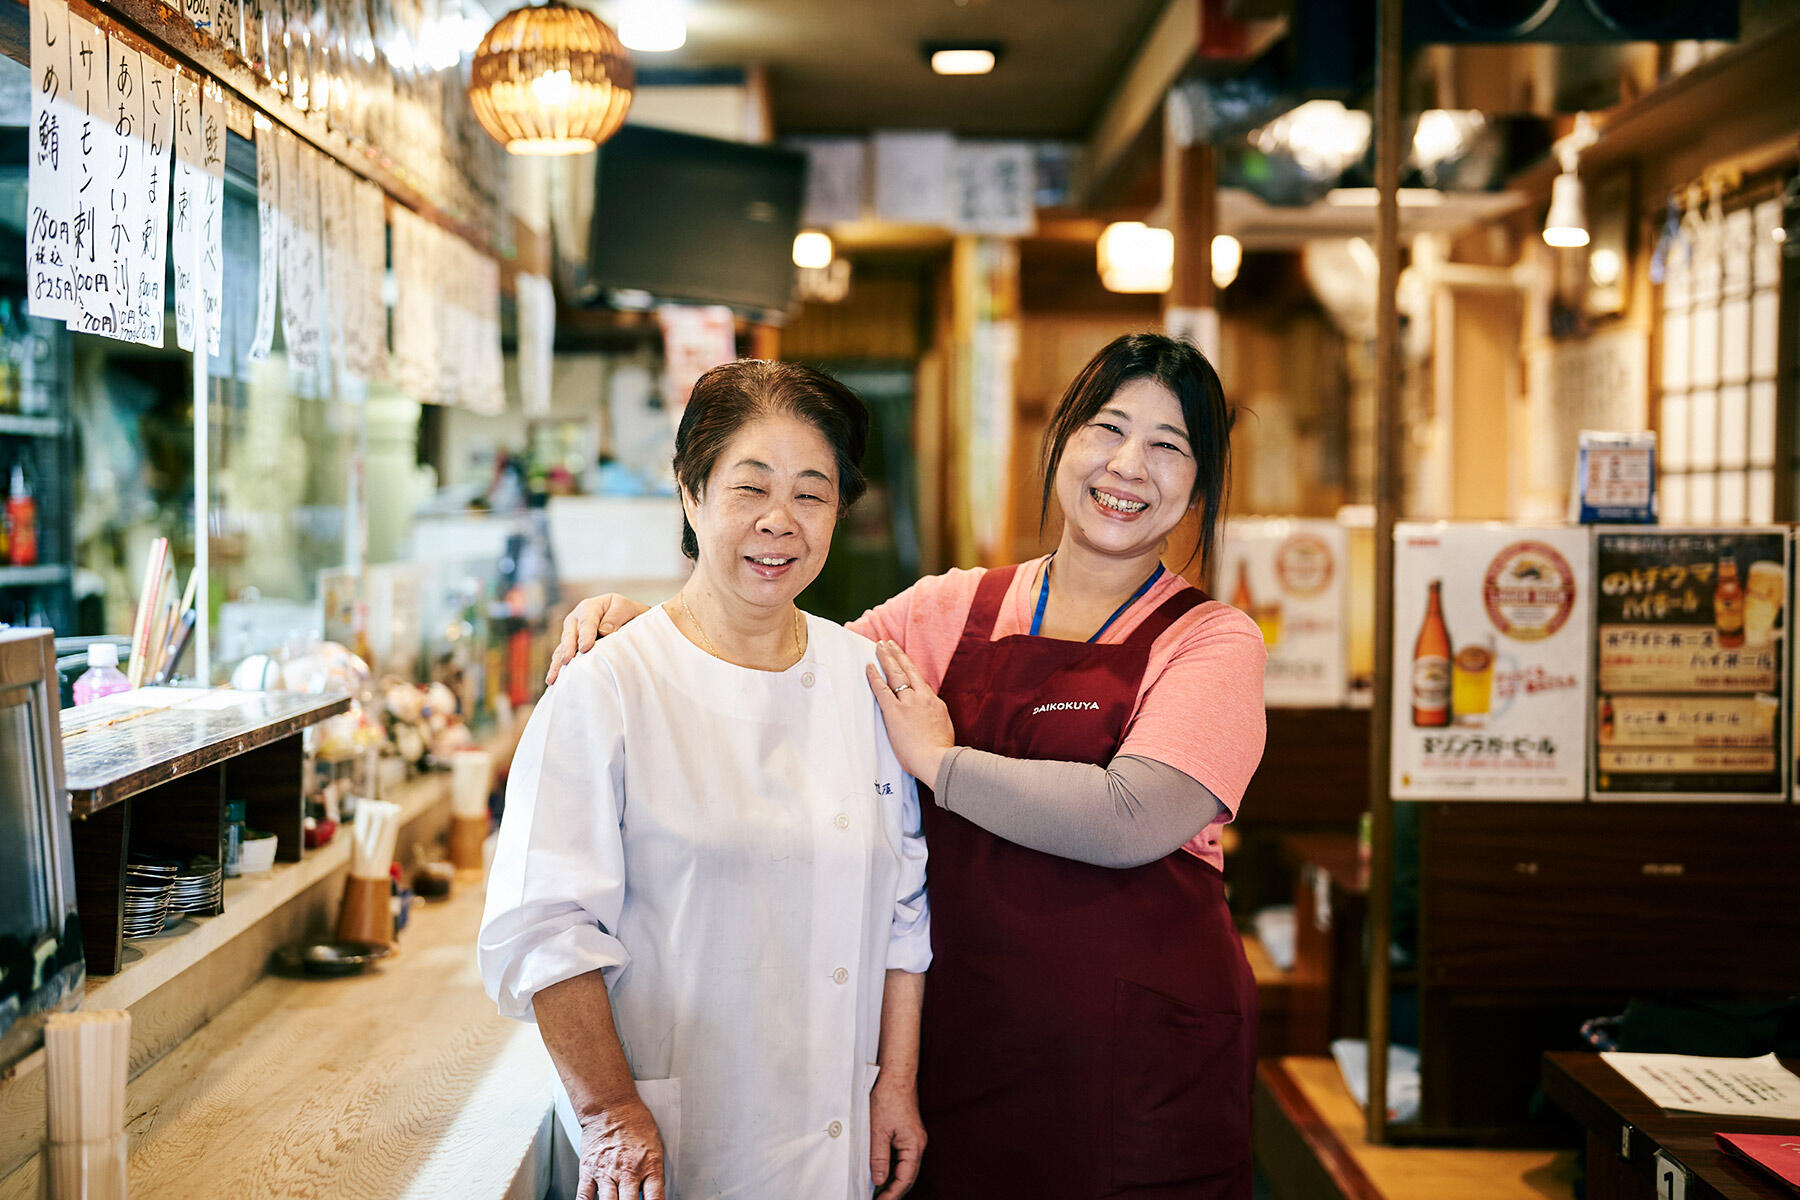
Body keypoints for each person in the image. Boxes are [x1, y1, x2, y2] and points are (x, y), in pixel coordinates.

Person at [549, 333, 1266, 1199]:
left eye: (1168, 446)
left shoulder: (1212, 640)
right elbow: (785, 662)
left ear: (1200, 484)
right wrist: (659, 632)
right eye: (1107, 429)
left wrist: (941, 760)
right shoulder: (949, 608)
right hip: (963, 1053)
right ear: (1063, 440)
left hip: (1141, 1070)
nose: (1127, 466)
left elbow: (1133, 816)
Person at [481, 359, 932, 1200]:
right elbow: (544, 931)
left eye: (812, 493)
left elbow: (905, 909)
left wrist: (894, 1082)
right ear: (691, 493)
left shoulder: (868, 678)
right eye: (749, 487)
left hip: (833, 1140)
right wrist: (611, 1111)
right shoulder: (608, 683)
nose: (780, 522)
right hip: (663, 1146)